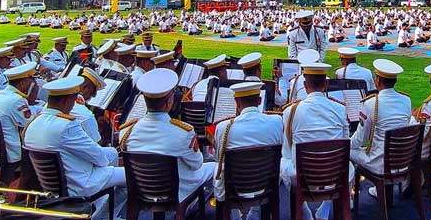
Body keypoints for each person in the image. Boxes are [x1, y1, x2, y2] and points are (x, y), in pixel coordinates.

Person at [24, 76, 126, 220]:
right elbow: (100, 159)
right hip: (78, 183)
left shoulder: (33, 122)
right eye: (73, 100)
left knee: (111, 152)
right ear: (66, 101)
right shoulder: (66, 125)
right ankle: (102, 216)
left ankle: (102, 206)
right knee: (130, 176)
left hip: (55, 182)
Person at [119, 69, 216, 205]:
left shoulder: (126, 131)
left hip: (141, 190)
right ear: (167, 103)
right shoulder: (183, 132)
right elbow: (196, 164)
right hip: (176, 191)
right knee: (216, 167)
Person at [281, 62, 350, 220]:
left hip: (302, 177)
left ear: (305, 85)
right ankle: (322, 208)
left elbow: (286, 151)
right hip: (335, 175)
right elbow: (346, 143)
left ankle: (304, 209)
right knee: (346, 163)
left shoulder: (290, 111)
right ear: (326, 84)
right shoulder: (340, 109)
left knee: (284, 160)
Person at [213, 82, 283, 211]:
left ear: (237, 103)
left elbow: (218, 159)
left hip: (235, 187)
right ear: (260, 100)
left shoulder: (224, 127)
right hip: (267, 184)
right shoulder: (277, 121)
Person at [350, 59, 415, 180]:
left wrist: (345, 144)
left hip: (380, 163)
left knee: (347, 150)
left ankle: (350, 190)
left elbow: (360, 139)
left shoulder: (371, 103)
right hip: (402, 159)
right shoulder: (406, 99)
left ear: (378, 80)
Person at [0, 63, 43, 165]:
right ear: (23, 83)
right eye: (32, 80)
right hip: (15, 152)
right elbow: (31, 127)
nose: (34, 83)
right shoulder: (17, 100)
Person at [75, 68, 106, 143]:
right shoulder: (86, 115)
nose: (94, 96)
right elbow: (97, 144)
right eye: (93, 91)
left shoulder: (60, 101)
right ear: (84, 87)